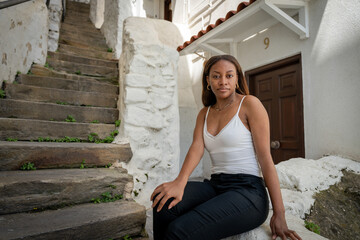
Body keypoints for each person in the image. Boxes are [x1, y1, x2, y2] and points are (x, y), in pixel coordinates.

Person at [150, 55, 301, 240]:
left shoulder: (250, 104)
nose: (223, 82)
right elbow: (197, 147)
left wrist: (279, 213)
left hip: (248, 192)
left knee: (179, 230)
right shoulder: (204, 113)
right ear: (208, 80)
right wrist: (180, 182)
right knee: (163, 204)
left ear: (237, 78)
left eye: (229, 76)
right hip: (216, 185)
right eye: (216, 76)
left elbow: (266, 160)